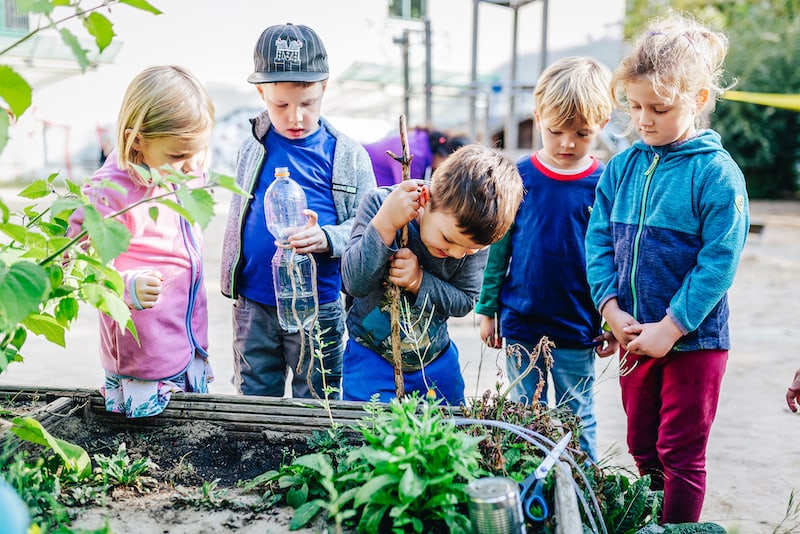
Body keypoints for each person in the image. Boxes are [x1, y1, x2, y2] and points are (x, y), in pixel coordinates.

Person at [584, 13, 749, 523]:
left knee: (680, 455)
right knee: (641, 445)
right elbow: (597, 243)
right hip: (634, 337)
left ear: (698, 101)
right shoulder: (621, 167)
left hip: (694, 343)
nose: (644, 119)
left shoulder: (716, 174)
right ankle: (652, 525)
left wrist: (671, 328)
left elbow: (719, 260)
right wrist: (609, 308)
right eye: (634, 107)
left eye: (658, 108)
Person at [474, 56, 619, 463]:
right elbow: (499, 248)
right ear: (537, 117)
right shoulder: (519, 177)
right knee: (522, 416)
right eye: (556, 131)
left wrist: (610, 320)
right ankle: (525, 480)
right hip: (521, 321)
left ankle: (584, 485)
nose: (567, 143)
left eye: (581, 133)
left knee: (577, 415)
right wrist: (488, 309)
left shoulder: (605, 182)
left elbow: (612, 256)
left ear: (602, 124)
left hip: (578, 326)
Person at [220, 23, 376, 399]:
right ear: (261, 93)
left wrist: (327, 237)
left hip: (317, 306)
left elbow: (369, 227)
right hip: (254, 303)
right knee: (254, 396)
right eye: (281, 105)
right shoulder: (252, 146)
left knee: (318, 397)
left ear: (325, 88)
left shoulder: (347, 154)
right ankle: (258, 459)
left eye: (307, 104)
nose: (295, 117)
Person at [68, 65, 216, 418]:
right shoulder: (112, 189)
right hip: (144, 353)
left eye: (199, 151)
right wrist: (126, 286)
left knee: (189, 426)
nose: (192, 165)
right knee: (149, 437)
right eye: (178, 155)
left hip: (186, 339)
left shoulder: (186, 173)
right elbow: (76, 261)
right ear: (137, 141)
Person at [341, 144, 524, 405]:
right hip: (370, 359)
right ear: (426, 198)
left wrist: (419, 281)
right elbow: (353, 284)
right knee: (367, 432)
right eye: (448, 240)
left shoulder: (474, 238)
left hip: (435, 361)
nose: (458, 254)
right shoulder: (380, 205)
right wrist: (386, 225)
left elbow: (464, 301)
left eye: (472, 250)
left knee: (449, 433)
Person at [363, 127, 471, 186]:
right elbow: (405, 194)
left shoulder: (421, 140)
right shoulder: (415, 157)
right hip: (357, 174)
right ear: (448, 157)